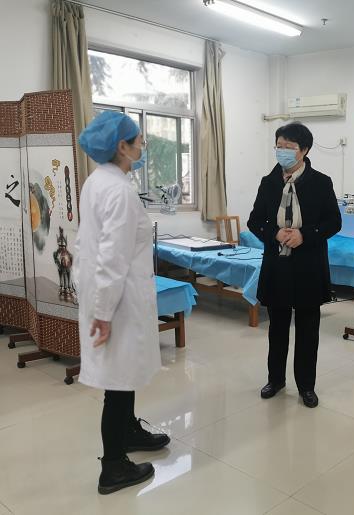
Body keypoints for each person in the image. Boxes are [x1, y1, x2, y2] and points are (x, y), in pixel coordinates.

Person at [75, 111, 170, 495]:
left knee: (124, 371)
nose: (142, 145)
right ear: (122, 146)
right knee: (117, 380)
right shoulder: (119, 191)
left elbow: (89, 244)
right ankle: (113, 466)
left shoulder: (98, 181)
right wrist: (103, 312)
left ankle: (128, 431)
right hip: (117, 297)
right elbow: (112, 257)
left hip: (108, 291)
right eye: (139, 140)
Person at [248, 122, 341, 408]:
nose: (283, 152)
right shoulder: (268, 182)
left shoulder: (321, 182)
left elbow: (333, 222)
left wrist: (305, 235)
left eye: (289, 147)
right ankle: (275, 379)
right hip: (277, 266)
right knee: (276, 328)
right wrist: (274, 233)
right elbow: (254, 220)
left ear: (304, 150)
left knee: (307, 330)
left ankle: (306, 386)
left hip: (308, 266)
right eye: (279, 146)